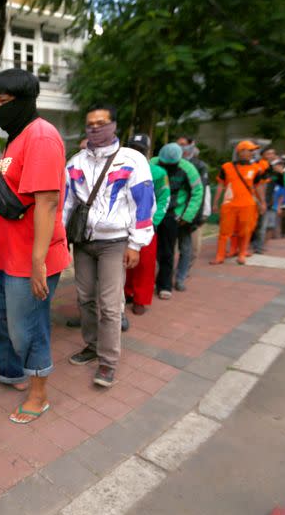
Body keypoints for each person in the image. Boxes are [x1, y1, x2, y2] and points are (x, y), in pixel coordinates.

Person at [0, 69, 70, 423]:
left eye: (3, 102)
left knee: (30, 328)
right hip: (9, 257)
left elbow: (48, 201)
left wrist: (38, 262)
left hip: (31, 260)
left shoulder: (41, 136)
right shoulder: (16, 138)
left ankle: (39, 395)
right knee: (4, 321)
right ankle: (16, 374)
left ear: (24, 100)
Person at [63, 104, 154, 387]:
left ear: (114, 125)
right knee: (85, 299)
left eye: (102, 122)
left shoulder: (132, 160)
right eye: (90, 123)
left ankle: (108, 362)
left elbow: (144, 204)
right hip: (84, 243)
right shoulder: (75, 163)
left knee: (111, 305)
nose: (95, 128)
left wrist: (137, 244)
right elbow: (67, 204)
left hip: (115, 243)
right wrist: (61, 240)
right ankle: (91, 346)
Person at [124, 134, 170, 315]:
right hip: (124, 225)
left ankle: (141, 299)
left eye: (141, 149)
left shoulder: (158, 173)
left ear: (148, 151)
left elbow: (164, 197)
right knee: (124, 262)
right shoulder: (119, 169)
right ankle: (126, 293)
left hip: (146, 225)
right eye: (133, 148)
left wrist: (154, 222)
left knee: (145, 264)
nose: (137, 152)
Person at [150, 143, 202, 298]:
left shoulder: (188, 169)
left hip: (173, 214)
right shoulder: (152, 164)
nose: (167, 167)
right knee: (149, 251)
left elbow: (197, 192)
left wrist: (187, 215)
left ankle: (164, 285)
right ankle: (148, 281)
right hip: (152, 213)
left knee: (167, 251)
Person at [211, 140, 266, 265]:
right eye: (250, 150)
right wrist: (215, 203)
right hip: (229, 205)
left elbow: (258, 187)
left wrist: (262, 203)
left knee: (245, 231)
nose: (253, 153)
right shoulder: (226, 167)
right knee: (224, 232)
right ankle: (220, 256)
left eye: (254, 150)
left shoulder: (256, 168)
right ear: (241, 152)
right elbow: (220, 185)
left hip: (248, 205)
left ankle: (242, 253)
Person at [177, 136, 210, 270]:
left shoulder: (199, 166)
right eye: (178, 144)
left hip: (193, 213)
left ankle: (183, 273)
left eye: (183, 144)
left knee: (192, 248)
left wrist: (202, 213)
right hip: (176, 212)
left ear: (191, 145)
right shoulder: (171, 162)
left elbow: (203, 191)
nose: (180, 147)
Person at [251, 148, 280, 253]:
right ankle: (256, 246)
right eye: (268, 153)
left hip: (269, 199)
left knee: (264, 225)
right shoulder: (259, 166)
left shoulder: (272, 167)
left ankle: (258, 246)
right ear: (262, 155)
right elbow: (259, 185)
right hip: (259, 199)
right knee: (259, 224)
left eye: (273, 153)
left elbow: (281, 183)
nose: (271, 155)